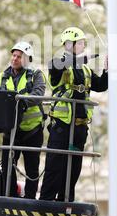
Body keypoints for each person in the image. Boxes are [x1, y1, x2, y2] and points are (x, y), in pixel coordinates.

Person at [40, 27, 108, 202]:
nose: (84, 45)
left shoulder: (85, 70)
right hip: (62, 125)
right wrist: (75, 59)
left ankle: (66, 199)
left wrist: (107, 71)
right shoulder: (59, 63)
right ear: (70, 45)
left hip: (79, 126)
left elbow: (100, 85)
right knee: (55, 164)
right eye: (81, 42)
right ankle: (46, 200)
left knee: (74, 166)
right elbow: (55, 67)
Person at [0, 41, 46, 198]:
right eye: (14, 55)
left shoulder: (36, 75)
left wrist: (18, 100)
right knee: (7, 167)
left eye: (19, 56)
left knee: (32, 169)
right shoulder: (2, 77)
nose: (15, 58)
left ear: (27, 59)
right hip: (11, 131)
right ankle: (10, 197)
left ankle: (30, 199)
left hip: (32, 130)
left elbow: (38, 95)